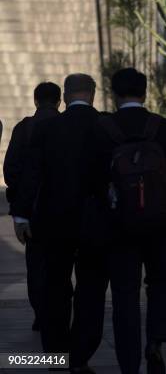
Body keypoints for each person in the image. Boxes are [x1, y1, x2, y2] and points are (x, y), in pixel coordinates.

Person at [89, 68, 166, 374]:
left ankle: (129, 363)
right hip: (160, 224)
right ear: (145, 93)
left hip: (119, 226)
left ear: (114, 94)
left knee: (124, 293)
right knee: (161, 282)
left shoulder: (102, 130)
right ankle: (156, 342)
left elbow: (90, 180)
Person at [11, 74, 108, 374]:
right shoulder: (107, 126)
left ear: (65, 96)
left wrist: (22, 216)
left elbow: (31, 175)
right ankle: (80, 357)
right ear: (93, 94)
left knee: (55, 289)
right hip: (96, 222)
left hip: (54, 223)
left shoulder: (48, 128)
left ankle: (55, 356)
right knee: (91, 292)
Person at [5, 82, 61, 331]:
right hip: (64, 209)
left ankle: (41, 312)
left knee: (36, 265)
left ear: (36, 101)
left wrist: (19, 209)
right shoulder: (68, 125)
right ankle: (60, 312)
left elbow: (11, 171)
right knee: (61, 264)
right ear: (59, 101)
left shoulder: (24, 128)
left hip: (34, 211)